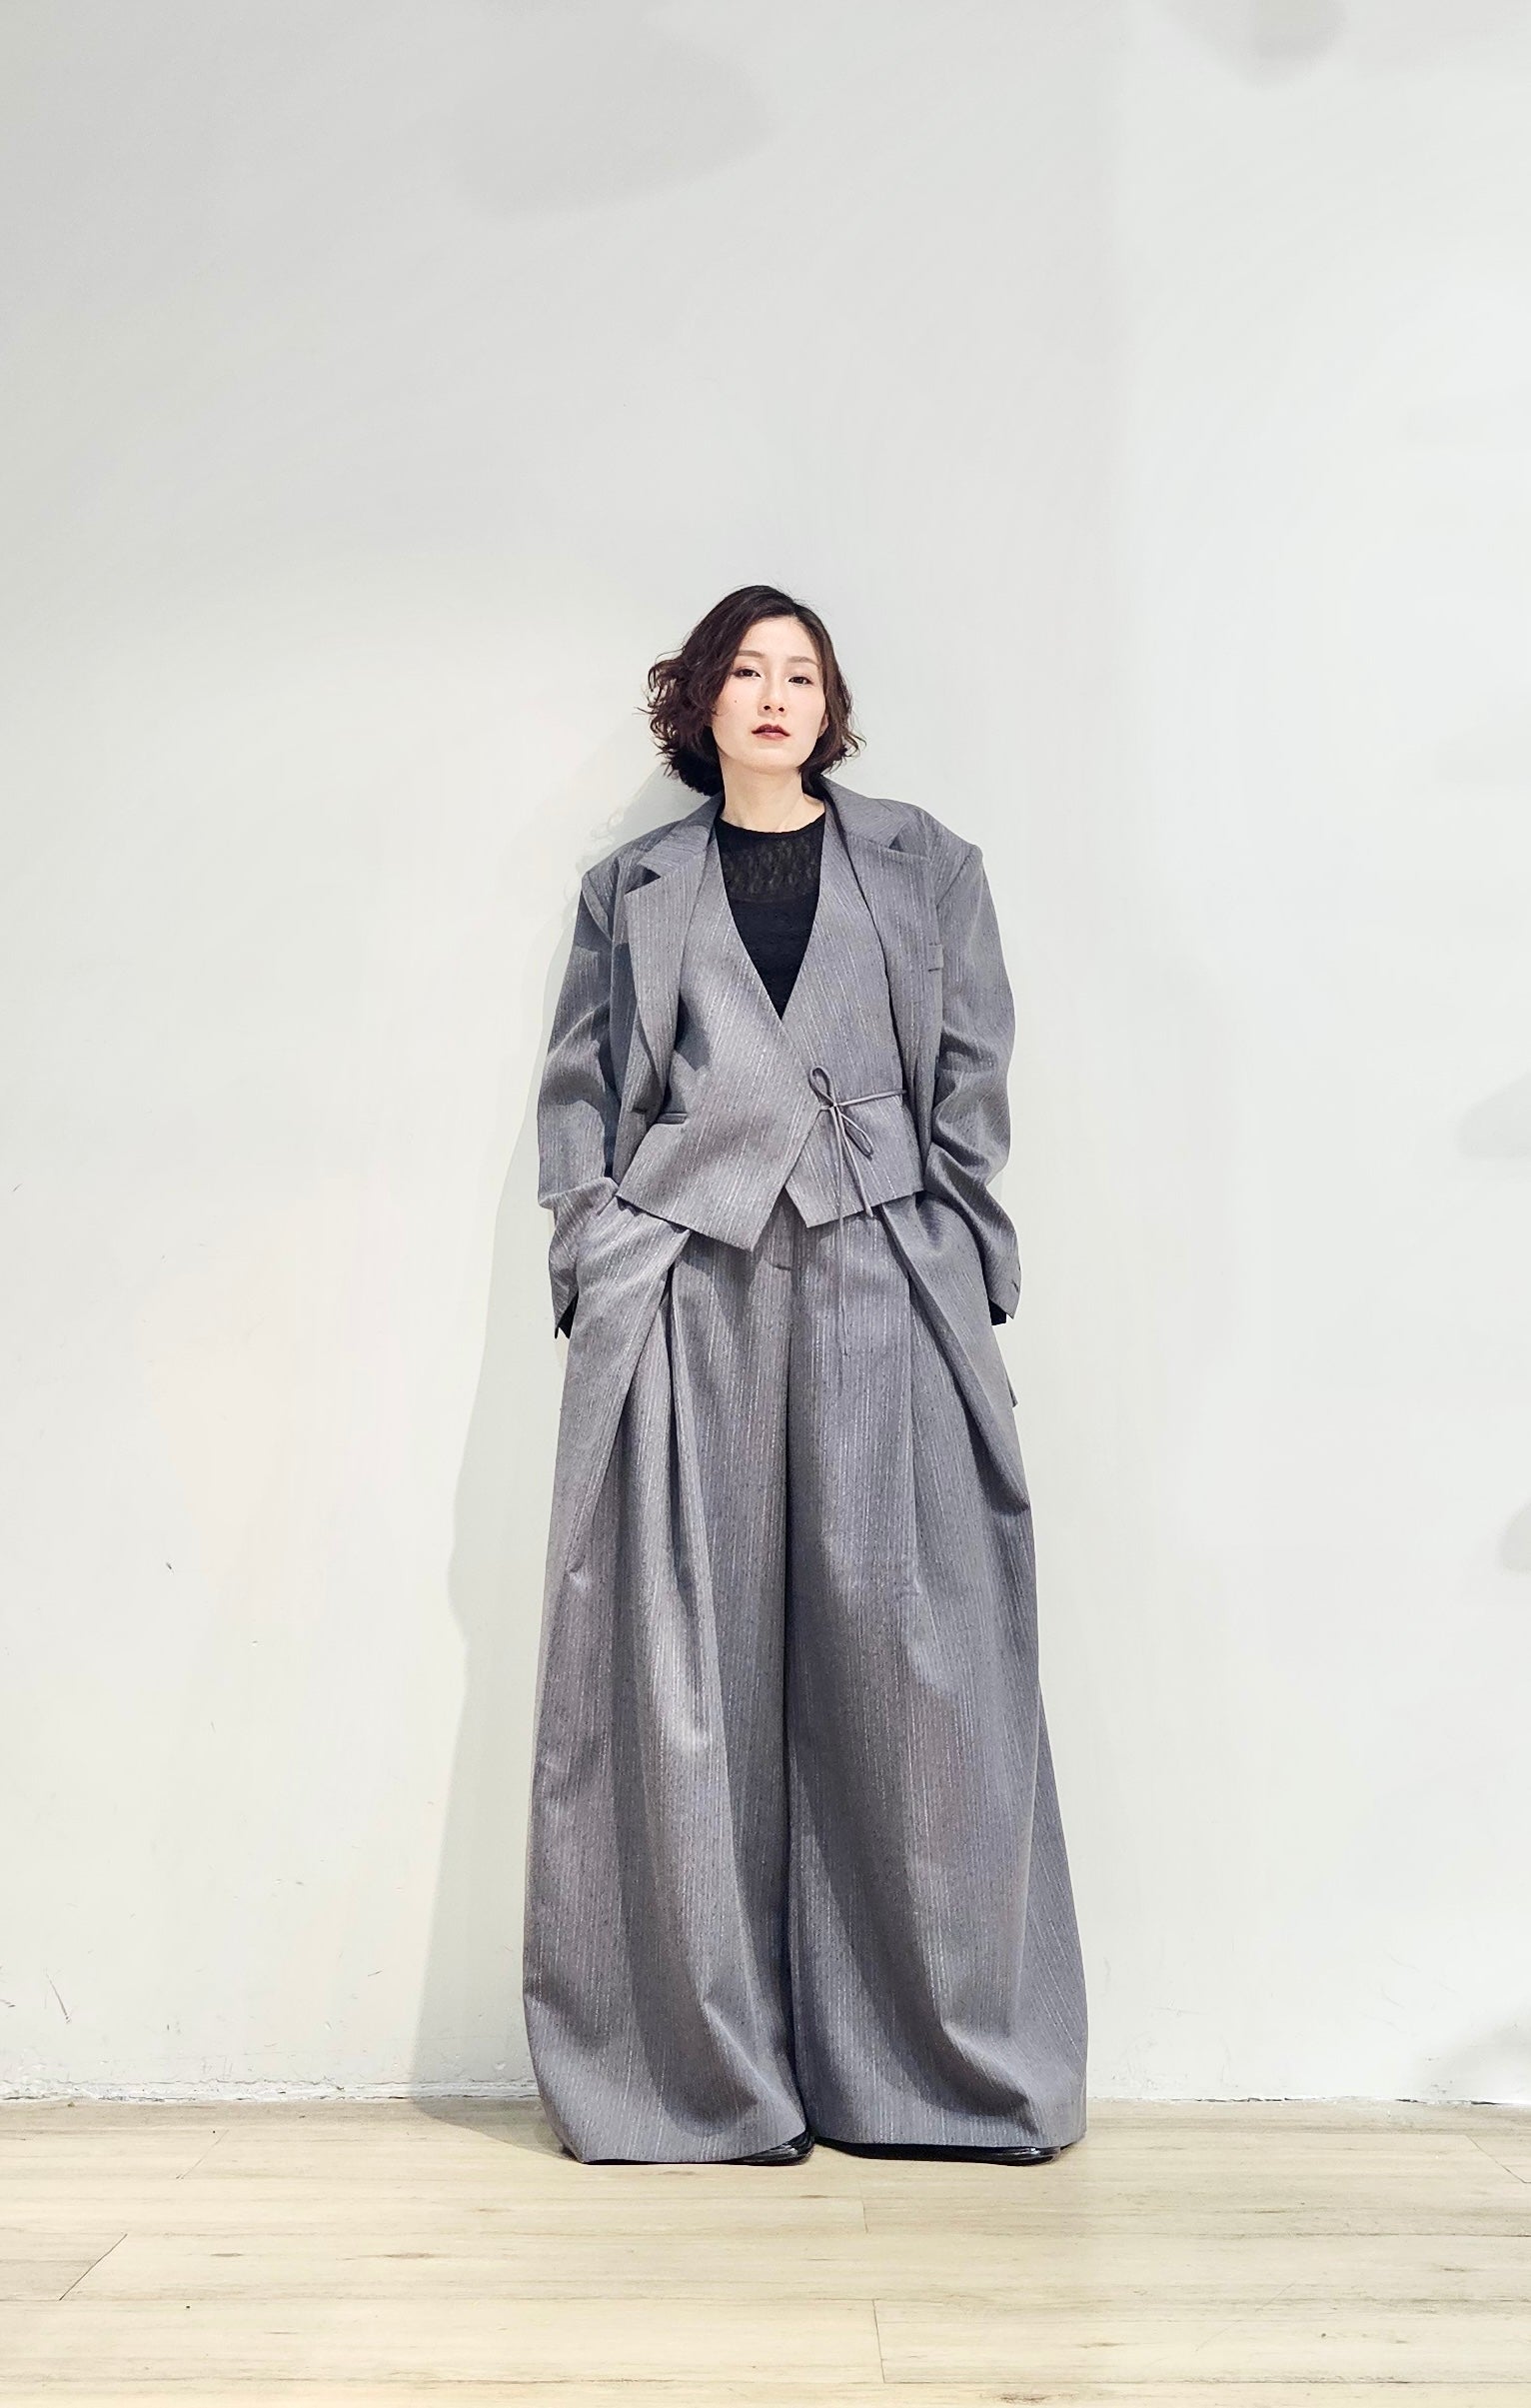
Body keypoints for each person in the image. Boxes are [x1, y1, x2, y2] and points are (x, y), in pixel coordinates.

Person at [525, 583, 1087, 2166]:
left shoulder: (927, 865)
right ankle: (700, 2078)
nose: (777, 694)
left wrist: (958, 1256)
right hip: (686, 1282)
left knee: (911, 1672)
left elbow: (972, 1079)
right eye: (748, 671)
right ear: (700, 701)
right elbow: (579, 1085)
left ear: (830, 706)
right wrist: (597, 1247)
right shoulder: (633, 886)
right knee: (683, 1679)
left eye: (803, 672)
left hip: (879, 1274)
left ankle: (932, 2074)